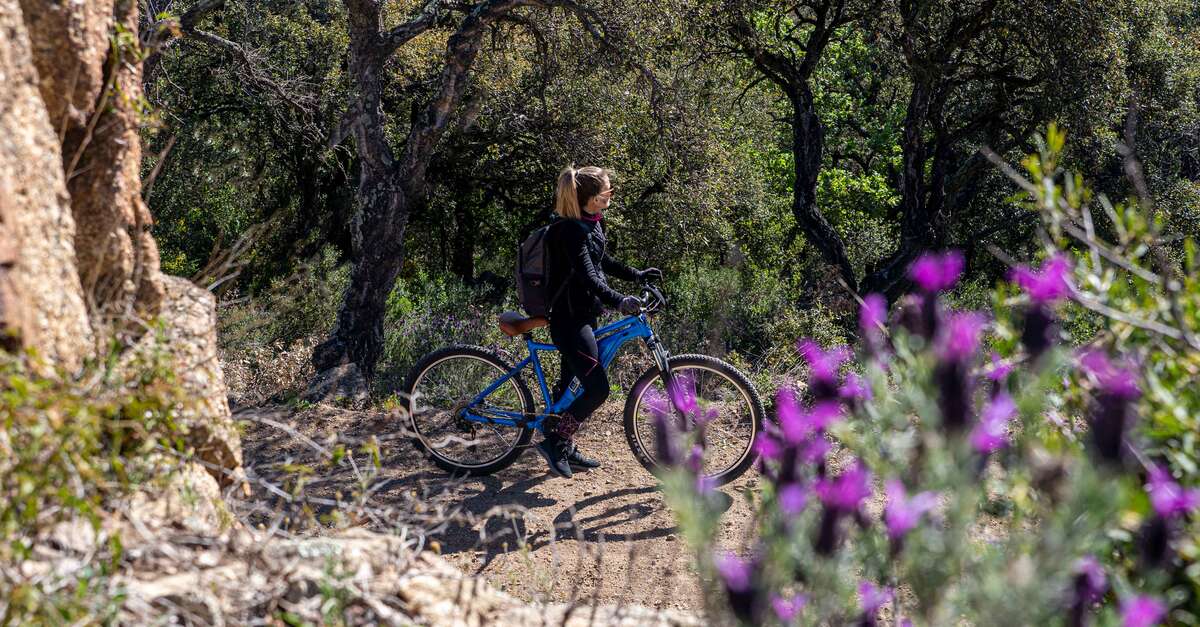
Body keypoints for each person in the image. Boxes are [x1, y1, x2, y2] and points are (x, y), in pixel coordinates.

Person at [536, 165, 661, 478]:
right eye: (607, 191)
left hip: (583, 315)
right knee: (596, 389)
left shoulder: (589, 223)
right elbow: (588, 275)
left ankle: (563, 443)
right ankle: (556, 442)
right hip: (569, 321)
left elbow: (601, 260)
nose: (611, 195)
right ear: (591, 198)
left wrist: (636, 275)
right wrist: (620, 300)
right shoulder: (568, 230)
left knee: (571, 387)